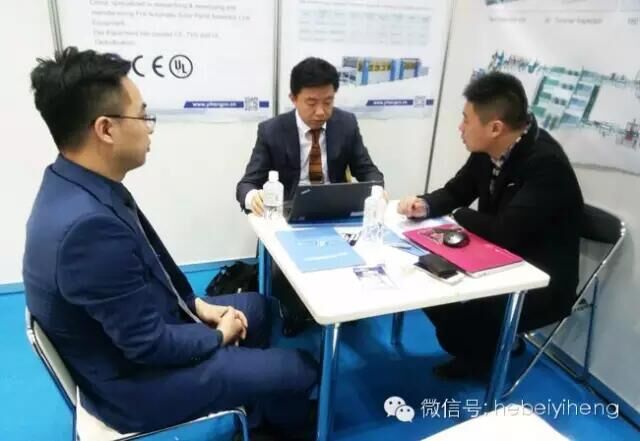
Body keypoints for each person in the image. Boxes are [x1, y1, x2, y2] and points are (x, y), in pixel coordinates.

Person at [23, 47, 317, 440]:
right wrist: (218, 336)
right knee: (301, 369)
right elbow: (147, 345)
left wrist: (198, 305)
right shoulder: (86, 229)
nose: (149, 127)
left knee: (260, 309)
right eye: (142, 115)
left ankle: (256, 411)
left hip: (134, 340)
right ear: (106, 130)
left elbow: (155, 265)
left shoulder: (78, 184)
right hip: (136, 385)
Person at [398, 71, 584, 379]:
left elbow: (505, 232)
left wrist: (460, 214)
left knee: (456, 323)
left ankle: (483, 354)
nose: (460, 127)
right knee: (424, 276)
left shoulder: (545, 164)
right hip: (494, 260)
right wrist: (424, 204)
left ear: (495, 128)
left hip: (538, 283)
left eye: (466, 120)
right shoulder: (488, 151)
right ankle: (484, 345)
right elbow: (457, 190)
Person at [236, 56, 384, 215]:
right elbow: (246, 184)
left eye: (328, 102)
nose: (320, 112)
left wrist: (376, 191)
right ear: (293, 99)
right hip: (288, 214)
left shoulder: (346, 124)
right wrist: (253, 197)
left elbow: (368, 171)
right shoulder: (272, 131)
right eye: (311, 103)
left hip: (335, 211)